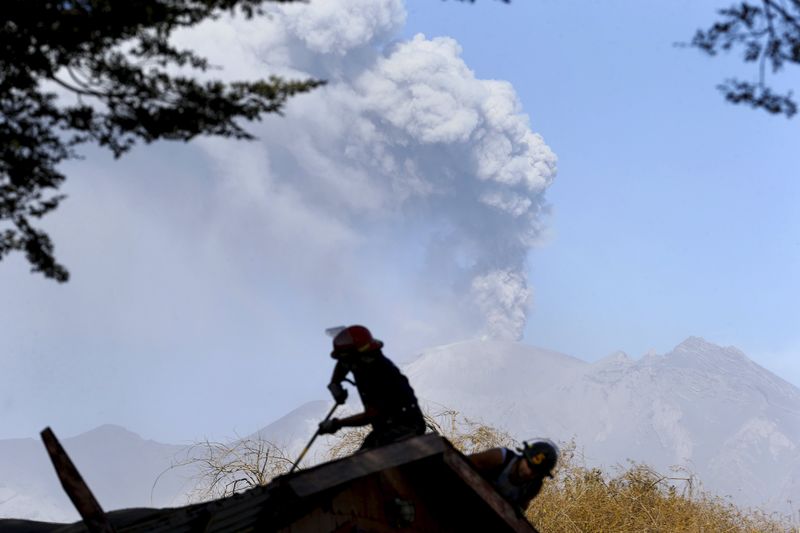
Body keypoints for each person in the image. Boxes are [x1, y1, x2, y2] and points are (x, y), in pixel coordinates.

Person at [317, 325, 426, 449]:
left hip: (407, 427)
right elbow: (342, 365)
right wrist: (335, 383)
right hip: (385, 428)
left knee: (364, 461)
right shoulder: (362, 360)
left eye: (346, 358)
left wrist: (336, 424)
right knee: (358, 460)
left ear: (354, 355)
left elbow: (371, 414)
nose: (345, 362)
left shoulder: (378, 374)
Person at [469, 439, 559, 510]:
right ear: (524, 455)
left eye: (535, 472)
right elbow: (461, 463)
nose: (529, 473)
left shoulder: (531, 488)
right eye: (529, 466)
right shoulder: (499, 457)